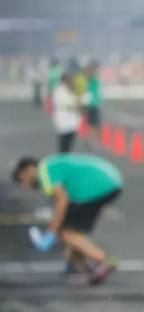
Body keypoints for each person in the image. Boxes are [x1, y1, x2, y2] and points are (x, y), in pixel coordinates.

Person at [12, 154, 122, 285]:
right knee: (72, 230)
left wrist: (51, 234)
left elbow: (62, 203)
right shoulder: (50, 165)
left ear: (29, 169)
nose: (25, 185)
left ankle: (104, 259)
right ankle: (76, 267)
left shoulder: (44, 173)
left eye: (23, 180)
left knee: (66, 233)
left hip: (97, 186)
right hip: (109, 181)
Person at [52, 72, 80, 153]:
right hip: (64, 122)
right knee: (64, 145)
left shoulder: (69, 90)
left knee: (69, 144)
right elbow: (67, 106)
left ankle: (66, 157)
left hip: (72, 122)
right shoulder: (59, 91)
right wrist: (77, 104)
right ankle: (63, 159)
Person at [81, 61, 103, 150]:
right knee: (93, 125)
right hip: (92, 105)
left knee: (96, 125)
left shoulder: (93, 79)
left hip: (95, 105)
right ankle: (92, 142)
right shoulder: (91, 79)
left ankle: (93, 141)